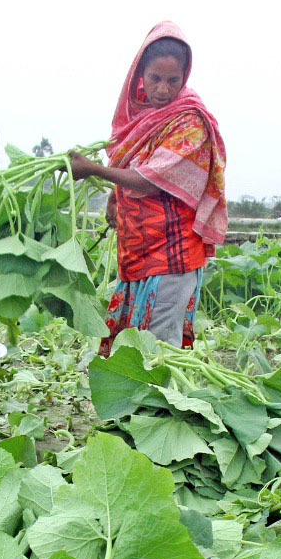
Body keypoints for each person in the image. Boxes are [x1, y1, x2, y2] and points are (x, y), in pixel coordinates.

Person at [70, 22, 226, 355]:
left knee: (158, 347)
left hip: (172, 254)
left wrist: (93, 170)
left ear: (184, 77)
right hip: (138, 250)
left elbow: (149, 178)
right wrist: (114, 199)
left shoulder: (189, 121)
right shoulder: (140, 116)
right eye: (155, 78)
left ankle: (159, 391)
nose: (163, 89)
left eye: (173, 80)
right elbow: (131, 163)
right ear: (140, 74)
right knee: (134, 344)